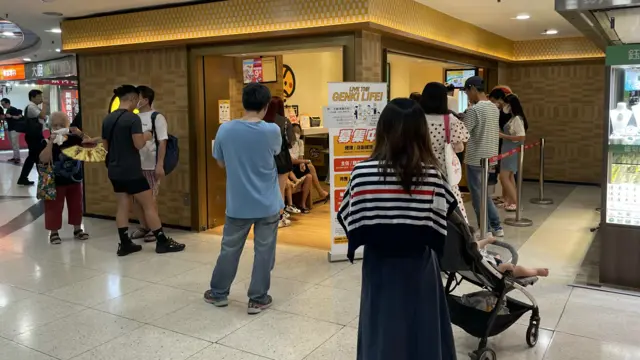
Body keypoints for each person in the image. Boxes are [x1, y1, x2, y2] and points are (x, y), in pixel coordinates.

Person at [338, 98, 458, 360]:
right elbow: (444, 215)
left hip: (379, 264)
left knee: (381, 327)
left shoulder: (361, 173)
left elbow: (348, 217)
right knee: (422, 327)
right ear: (421, 133)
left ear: (383, 130)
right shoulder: (432, 175)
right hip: (420, 265)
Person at [204, 83, 282, 315]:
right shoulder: (272, 131)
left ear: (243, 102)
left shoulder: (225, 130)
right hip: (268, 203)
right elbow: (275, 154)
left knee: (229, 249)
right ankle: (258, 299)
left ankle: (218, 293)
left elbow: (220, 162)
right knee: (264, 252)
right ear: (266, 105)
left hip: (238, 204)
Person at [101, 85, 185, 256]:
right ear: (132, 99)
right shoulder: (133, 119)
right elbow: (138, 144)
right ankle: (162, 241)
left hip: (114, 170)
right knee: (149, 205)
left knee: (123, 206)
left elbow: (105, 146)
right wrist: (146, 136)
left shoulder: (108, 119)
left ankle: (125, 243)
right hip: (132, 171)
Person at [38, 112, 93, 244]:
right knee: (53, 206)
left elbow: (90, 144)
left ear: (67, 125)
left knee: (76, 204)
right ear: (50, 126)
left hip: (75, 178)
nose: (58, 127)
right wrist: (51, 142)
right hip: (55, 181)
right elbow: (43, 159)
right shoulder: (45, 141)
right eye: (55, 125)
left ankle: (77, 229)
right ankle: (54, 232)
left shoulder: (74, 139)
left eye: (61, 125)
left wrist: (79, 133)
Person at [421, 82, 470, 222]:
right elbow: (459, 147)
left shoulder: (417, 119)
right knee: (452, 207)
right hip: (444, 171)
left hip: (420, 167)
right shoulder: (450, 120)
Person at [462, 76, 504, 237]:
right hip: (490, 156)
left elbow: (464, 133)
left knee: (478, 196)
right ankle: (496, 226)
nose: (467, 96)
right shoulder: (494, 108)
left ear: (472, 89)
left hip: (475, 157)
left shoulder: (474, 110)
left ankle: (485, 228)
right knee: (484, 193)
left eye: (467, 92)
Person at [130, 86, 168, 242]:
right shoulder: (132, 117)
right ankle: (143, 226)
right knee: (136, 199)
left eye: (136, 97)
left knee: (150, 199)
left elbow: (162, 142)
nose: (134, 100)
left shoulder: (157, 117)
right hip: (134, 165)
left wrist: (160, 164)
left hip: (150, 165)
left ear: (145, 100)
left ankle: (154, 229)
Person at [263, 96, 294, 227]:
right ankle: (279, 217)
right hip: (282, 157)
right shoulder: (285, 121)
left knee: (268, 189)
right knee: (280, 190)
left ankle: (268, 217)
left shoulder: (263, 122)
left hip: (266, 158)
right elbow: (291, 142)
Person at [498, 94, 528, 211]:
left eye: (506, 104)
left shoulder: (516, 119)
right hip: (508, 150)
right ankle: (511, 201)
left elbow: (521, 137)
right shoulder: (513, 118)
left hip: (511, 151)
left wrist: (503, 135)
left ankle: (516, 202)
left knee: (504, 177)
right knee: (509, 177)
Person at [290, 123, 329, 206]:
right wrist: (304, 162)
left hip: (297, 166)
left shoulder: (300, 142)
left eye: (298, 132)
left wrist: (302, 163)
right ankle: (321, 192)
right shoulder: (287, 144)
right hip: (290, 168)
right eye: (294, 132)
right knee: (310, 166)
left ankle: (303, 203)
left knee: (309, 175)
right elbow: (290, 161)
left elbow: (300, 157)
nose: (296, 134)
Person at [476, 235, 549, 277]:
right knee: (519, 269)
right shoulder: (470, 247)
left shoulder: (468, 248)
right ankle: (536, 271)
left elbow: (476, 245)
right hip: (490, 269)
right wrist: (504, 266)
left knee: (497, 257)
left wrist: (488, 240)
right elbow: (475, 245)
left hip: (484, 261)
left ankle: (499, 263)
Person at [18, 90, 47, 186]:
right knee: (38, 156)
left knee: (33, 157)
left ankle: (23, 178)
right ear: (32, 97)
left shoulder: (34, 107)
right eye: (39, 96)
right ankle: (43, 180)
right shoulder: (31, 107)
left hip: (34, 135)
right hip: (34, 136)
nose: (41, 98)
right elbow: (42, 116)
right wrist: (45, 105)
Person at [1, 98, 22, 164]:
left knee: (15, 144)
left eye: (3, 104)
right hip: (10, 129)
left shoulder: (13, 109)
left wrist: (11, 116)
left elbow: (19, 116)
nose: (2, 106)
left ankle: (17, 158)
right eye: (1, 104)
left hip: (15, 129)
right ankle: (15, 156)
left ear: (7, 103)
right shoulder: (7, 110)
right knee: (12, 144)